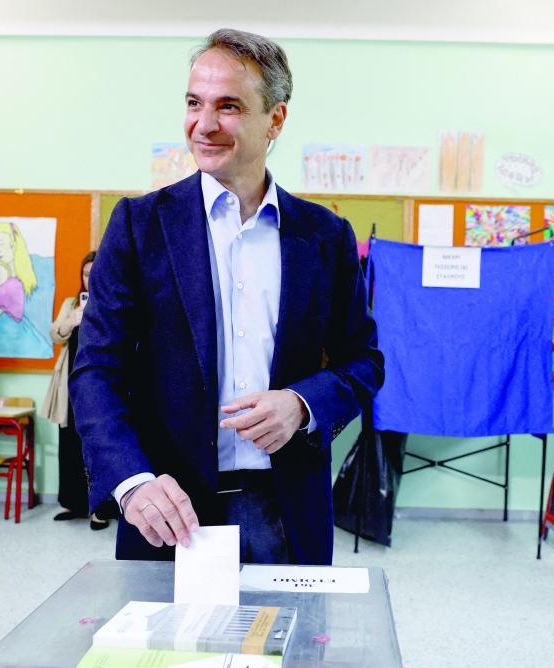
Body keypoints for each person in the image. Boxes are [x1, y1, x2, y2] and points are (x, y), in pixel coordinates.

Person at [70, 29, 384, 564]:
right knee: (166, 652)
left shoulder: (326, 237)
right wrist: (130, 480)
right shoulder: (139, 226)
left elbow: (364, 361)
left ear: (276, 119)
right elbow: (97, 369)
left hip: (285, 509)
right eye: (194, 103)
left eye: (229, 106)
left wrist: (304, 403)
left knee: (286, 648)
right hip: (167, 507)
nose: (204, 124)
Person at [41, 251, 111, 531]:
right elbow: (55, 333)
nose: (89, 278)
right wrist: (72, 320)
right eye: (85, 273)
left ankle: (100, 509)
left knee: (97, 445)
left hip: (102, 383)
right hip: (71, 384)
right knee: (69, 444)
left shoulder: (114, 298)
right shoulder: (72, 302)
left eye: (95, 272)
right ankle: (75, 503)